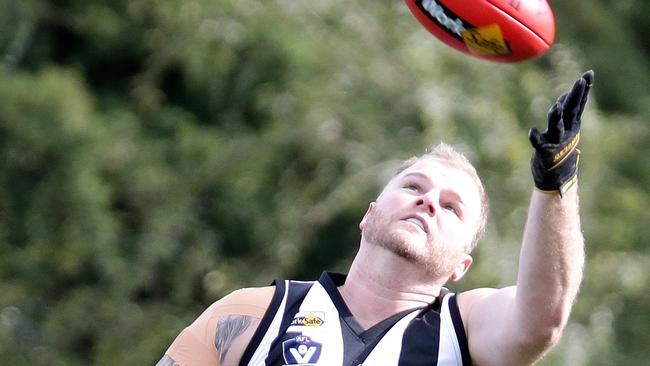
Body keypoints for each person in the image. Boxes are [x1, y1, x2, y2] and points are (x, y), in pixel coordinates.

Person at [156, 70, 594, 366]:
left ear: (463, 265)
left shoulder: (465, 331)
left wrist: (556, 183)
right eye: (413, 187)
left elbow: (542, 319)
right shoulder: (253, 314)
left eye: (451, 207)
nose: (427, 202)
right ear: (368, 215)